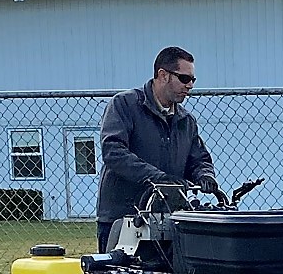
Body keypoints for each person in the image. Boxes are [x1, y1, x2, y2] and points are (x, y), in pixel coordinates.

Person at [95, 46, 223, 251]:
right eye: (184, 78)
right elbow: (113, 152)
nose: (189, 85)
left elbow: (199, 159)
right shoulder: (125, 105)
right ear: (162, 75)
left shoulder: (186, 121)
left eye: (193, 80)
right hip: (122, 219)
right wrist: (158, 178)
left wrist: (205, 176)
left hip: (168, 220)